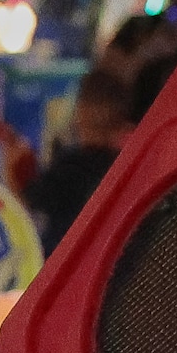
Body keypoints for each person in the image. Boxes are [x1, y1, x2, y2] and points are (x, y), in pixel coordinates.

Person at [28, 67, 132, 247]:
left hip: (65, 256)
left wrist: (17, 164)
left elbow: (34, 198)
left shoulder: (70, 166)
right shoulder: (129, 169)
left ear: (82, 110)